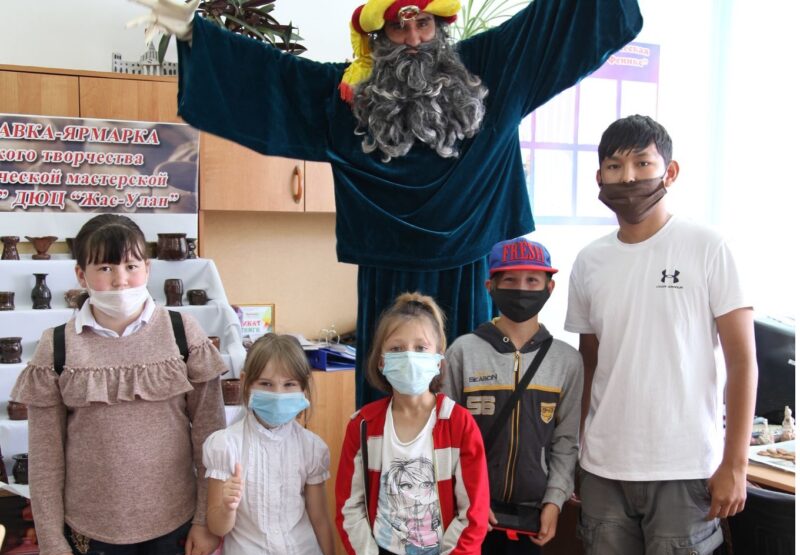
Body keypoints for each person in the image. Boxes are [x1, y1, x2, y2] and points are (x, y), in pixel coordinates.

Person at [130, 0, 643, 406]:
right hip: (386, 274)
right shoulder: (346, 96)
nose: (414, 39)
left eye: (423, 24)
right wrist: (196, 34)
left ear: (441, 27)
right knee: (385, 406)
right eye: (399, 28)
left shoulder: (489, 71)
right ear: (378, 37)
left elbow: (555, 23)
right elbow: (276, 82)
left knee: (465, 409)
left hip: (468, 270)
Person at [565, 114, 757, 555]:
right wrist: (577, 453)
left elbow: (742, 361)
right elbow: (590, 362)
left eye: (642, 163)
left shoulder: (707, 247)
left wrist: (735, 463)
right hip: (604, 470)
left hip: (683, 471)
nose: (628, 177)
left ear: (669, 172)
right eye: (614, 166)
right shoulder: (590, 261)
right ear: (599, 177)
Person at [10, 213, 227, 555]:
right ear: (81, 274)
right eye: (105, 268)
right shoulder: (57, 347)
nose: (119, 279)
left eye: (130, 266)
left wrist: (205, 519)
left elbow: (210, 440)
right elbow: (45, 457)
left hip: (175, 524)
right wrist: (51, 541)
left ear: (147, 268)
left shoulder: (182, 333)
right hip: (94, 531)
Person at [442, 236, 582, 555]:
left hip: (529, 519)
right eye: (511, 280)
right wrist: (461, 501)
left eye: (532, 281)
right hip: (472, 519)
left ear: (549, 288)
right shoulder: (463, 352)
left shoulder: (566, 361)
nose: (522, 289)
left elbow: (566, 441)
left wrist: (554, 501)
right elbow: (445, 438)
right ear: (491, 286)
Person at [335, 292, 490, 555]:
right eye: (396, 348)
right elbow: (348, 508)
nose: (409, 356)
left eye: (420, 347)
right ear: (381, 360)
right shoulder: (363, 424)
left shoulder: (459, 424)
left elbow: (474, 514)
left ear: (438, 358)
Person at [202, 333, 339, 555]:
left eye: (289, 384)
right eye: (266, 383)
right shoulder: (225, 445)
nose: (278, 393)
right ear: (246, 383)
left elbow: (320, 520)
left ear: (303, 388)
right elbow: (217, 526)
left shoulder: (311, 447)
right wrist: (228, 505)